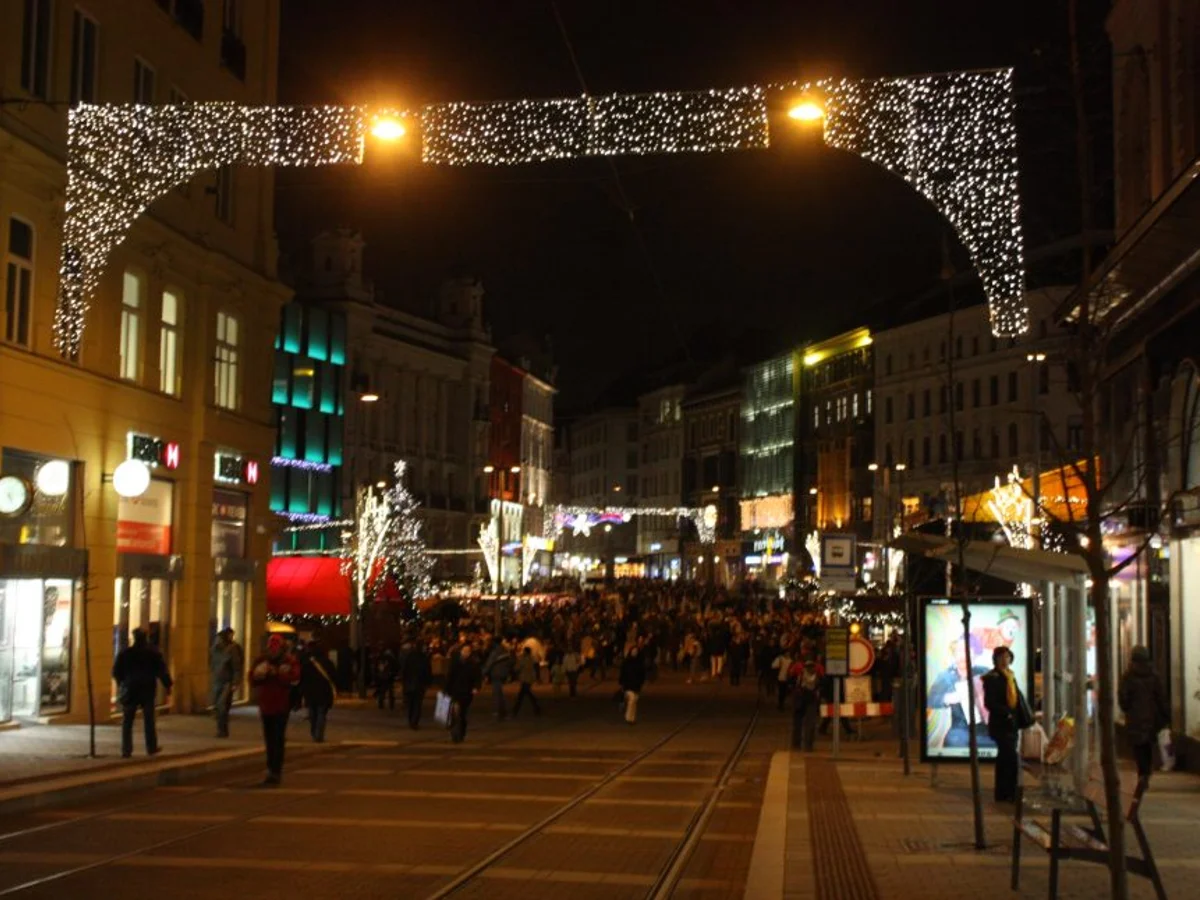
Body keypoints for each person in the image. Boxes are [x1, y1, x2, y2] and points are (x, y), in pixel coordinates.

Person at [113, 628, 172, 758]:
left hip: (131, 689)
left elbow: (116, 672)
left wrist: (122, 684)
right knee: (149, 720)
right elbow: (162, 671)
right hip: (147, 690)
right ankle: (151, 747)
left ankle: (126, 750)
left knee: (127, 721)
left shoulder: (126, 653)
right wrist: (168, 685)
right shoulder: (153, 653)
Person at [250, 634, 301, 786]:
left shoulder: (288, 661)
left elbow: (295, 677)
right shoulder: (261, 660)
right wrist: (261, 674)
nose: (273, 650)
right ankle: (272, 769)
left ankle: (275, 771)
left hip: (281, 705)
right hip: (266, 706)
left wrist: (278, 673)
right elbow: (252, 678)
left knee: (277, 739)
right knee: (270, 739)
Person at [982, 646, 1027, 803]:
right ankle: (1009, 792)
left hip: (1012, 723)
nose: (1005, 660)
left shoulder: (1010, 676)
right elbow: (989, 703)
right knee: (1010, 758)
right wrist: (1006, 712)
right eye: (1001, 657)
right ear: (995, 659)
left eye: (1007, 657)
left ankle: (1003, 793)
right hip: (1001, 724)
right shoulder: (991, 678)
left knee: (1005, 758)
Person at [1119, 645, 1169, 784]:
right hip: (1151, 720)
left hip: (1135, 719)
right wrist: (1164, 716)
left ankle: (1143, 774)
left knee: (1139, 749)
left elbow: (1123, 698)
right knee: (1147, 747)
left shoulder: (1128, 677)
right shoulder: (1154, 676)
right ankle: (1146, 772)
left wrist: (1128, 709)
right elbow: (1161, 698)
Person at [209, 627, 244, 738]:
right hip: (224, 680)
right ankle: (222, 729)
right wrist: (235, 681)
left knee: (221, 705)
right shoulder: (230, 648)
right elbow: (236, 666)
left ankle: (222, 730)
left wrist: (235, 682)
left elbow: (236, 666)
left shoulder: (217, 647)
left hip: (222, 680)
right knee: (221, 705)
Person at [299, 641, 336, 743]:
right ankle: (319, 734)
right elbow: (333, 676)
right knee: (321, 713)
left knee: (312, 714)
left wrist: (302, 691)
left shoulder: (307, 663)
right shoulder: (328, 662)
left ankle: (314, 732)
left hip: (310, 692)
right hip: (324, 692)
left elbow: (302, 677)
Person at [444, 643, 482, 742]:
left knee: (463, 714)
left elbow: (477, 677)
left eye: (468, 651)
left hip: (467, 692)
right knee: (455, 712)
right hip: (455, 691)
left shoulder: (473, 663)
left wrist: (476, 687)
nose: (466, 653)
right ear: (461, 651)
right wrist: (446, 690)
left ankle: (461, 732)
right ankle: (455, 733)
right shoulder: (455, 662)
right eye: (464, 651)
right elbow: (450, 677)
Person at [790, 658, 823, 751]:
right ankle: (808, 745)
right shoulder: (819, 668)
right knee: (810, 722)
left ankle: (796, 744)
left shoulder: (797, 667)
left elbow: (790, 679)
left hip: (799, 698)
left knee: (797, 723)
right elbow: (823, 681)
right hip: (812, 698)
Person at [401, 639, 432, 729]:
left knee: (411, 703)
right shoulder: (424, 658)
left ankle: (411, 720)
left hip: (410, 683)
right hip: (419, 684)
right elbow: (427, 671)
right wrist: (428, 682)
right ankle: (414, 721)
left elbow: (405, 670)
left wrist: (405, 682)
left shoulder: (410, 657)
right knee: (417, 704)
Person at [483, 637, 514, 720]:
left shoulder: (495, 652)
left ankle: (497, 712)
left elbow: (489, 663)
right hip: (503, 673)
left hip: (496, 673)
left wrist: (484, 673)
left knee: (496, 693)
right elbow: (511, 662)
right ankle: (503, 711)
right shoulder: (505, 650)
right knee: (500, 692)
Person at [619, 645, 647, 725]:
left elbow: (642, 674)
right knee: (631, 700)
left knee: (634, 701)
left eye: (636, 651)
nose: (634, 653)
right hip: (628, 685)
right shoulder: (626, 662)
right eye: (633, 651)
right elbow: (622, 673)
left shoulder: (640, 663)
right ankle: (628, 718)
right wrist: (622, 683)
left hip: (636, 685)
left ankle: (632, 717)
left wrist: (641, 682)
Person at [513, 646, 542, 716]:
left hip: (525, 678)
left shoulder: (524, 659)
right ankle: (536, 707)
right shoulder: (532, 659)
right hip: (529, 679)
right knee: (526, 693)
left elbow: (517, 667)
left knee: (523, 694)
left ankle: (516, 709)